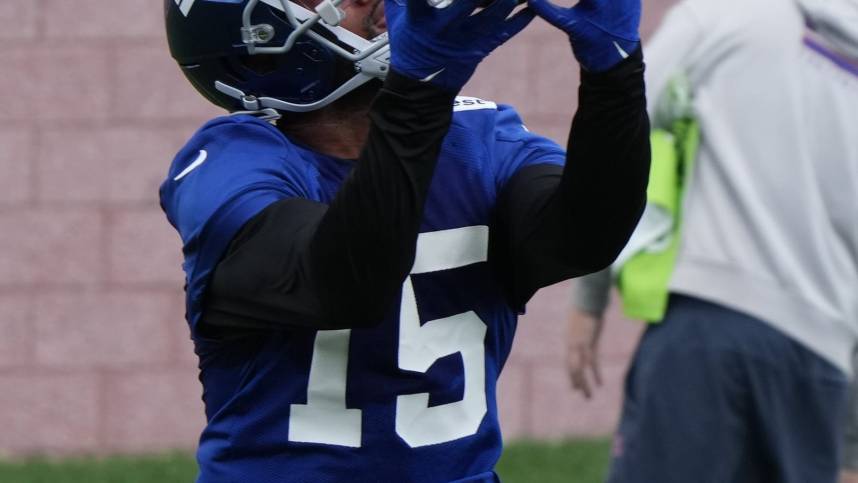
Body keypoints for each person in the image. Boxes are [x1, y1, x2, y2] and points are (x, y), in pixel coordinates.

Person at [160, 0, 650, 481]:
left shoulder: (480, 136)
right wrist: (418, 95)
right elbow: (346, 283)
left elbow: (580, 239)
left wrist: (615, 76)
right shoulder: (229, 164)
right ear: (256, 38)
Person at [567, 0, 858, 481]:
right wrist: (850, 445)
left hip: (708, 331)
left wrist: (589, 297)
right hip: (821, 361)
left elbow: (618, 134)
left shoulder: (723, 14)